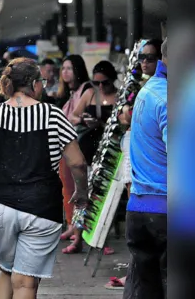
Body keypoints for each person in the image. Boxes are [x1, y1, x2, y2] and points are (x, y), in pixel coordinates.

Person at [0, 58, 88, 299]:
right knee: (24, 282)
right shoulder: (52, 115)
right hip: (42, 206)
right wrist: (81, 192)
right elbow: (77, 162)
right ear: (35, 84)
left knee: (6, 270)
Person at [123, 38, 167, 299]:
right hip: (166, 209)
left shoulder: (149, 90)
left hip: (140, 207)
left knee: (144, 287)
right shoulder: (168, 98)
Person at [64, 60, 118, 254]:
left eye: (105, 83)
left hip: (109, 149)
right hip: (87, 147)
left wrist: (103, 125)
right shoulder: (89, 94)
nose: (101, 87)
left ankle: (103, 239)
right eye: (97, 83)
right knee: (83, 195)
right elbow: (73, 116)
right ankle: (77, 237)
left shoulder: (119, 96)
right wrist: (84, 121)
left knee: (104, 196)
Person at [54, 55, 91, 246]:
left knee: (79, 189)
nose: (65, 72)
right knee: (66, 188)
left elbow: (76, 117)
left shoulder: (86, 89)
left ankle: (78, 229)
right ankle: (71, 225)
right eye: (63, 68)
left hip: (79, 145)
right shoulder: (67, 92)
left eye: (69, 68)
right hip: (66, 146)